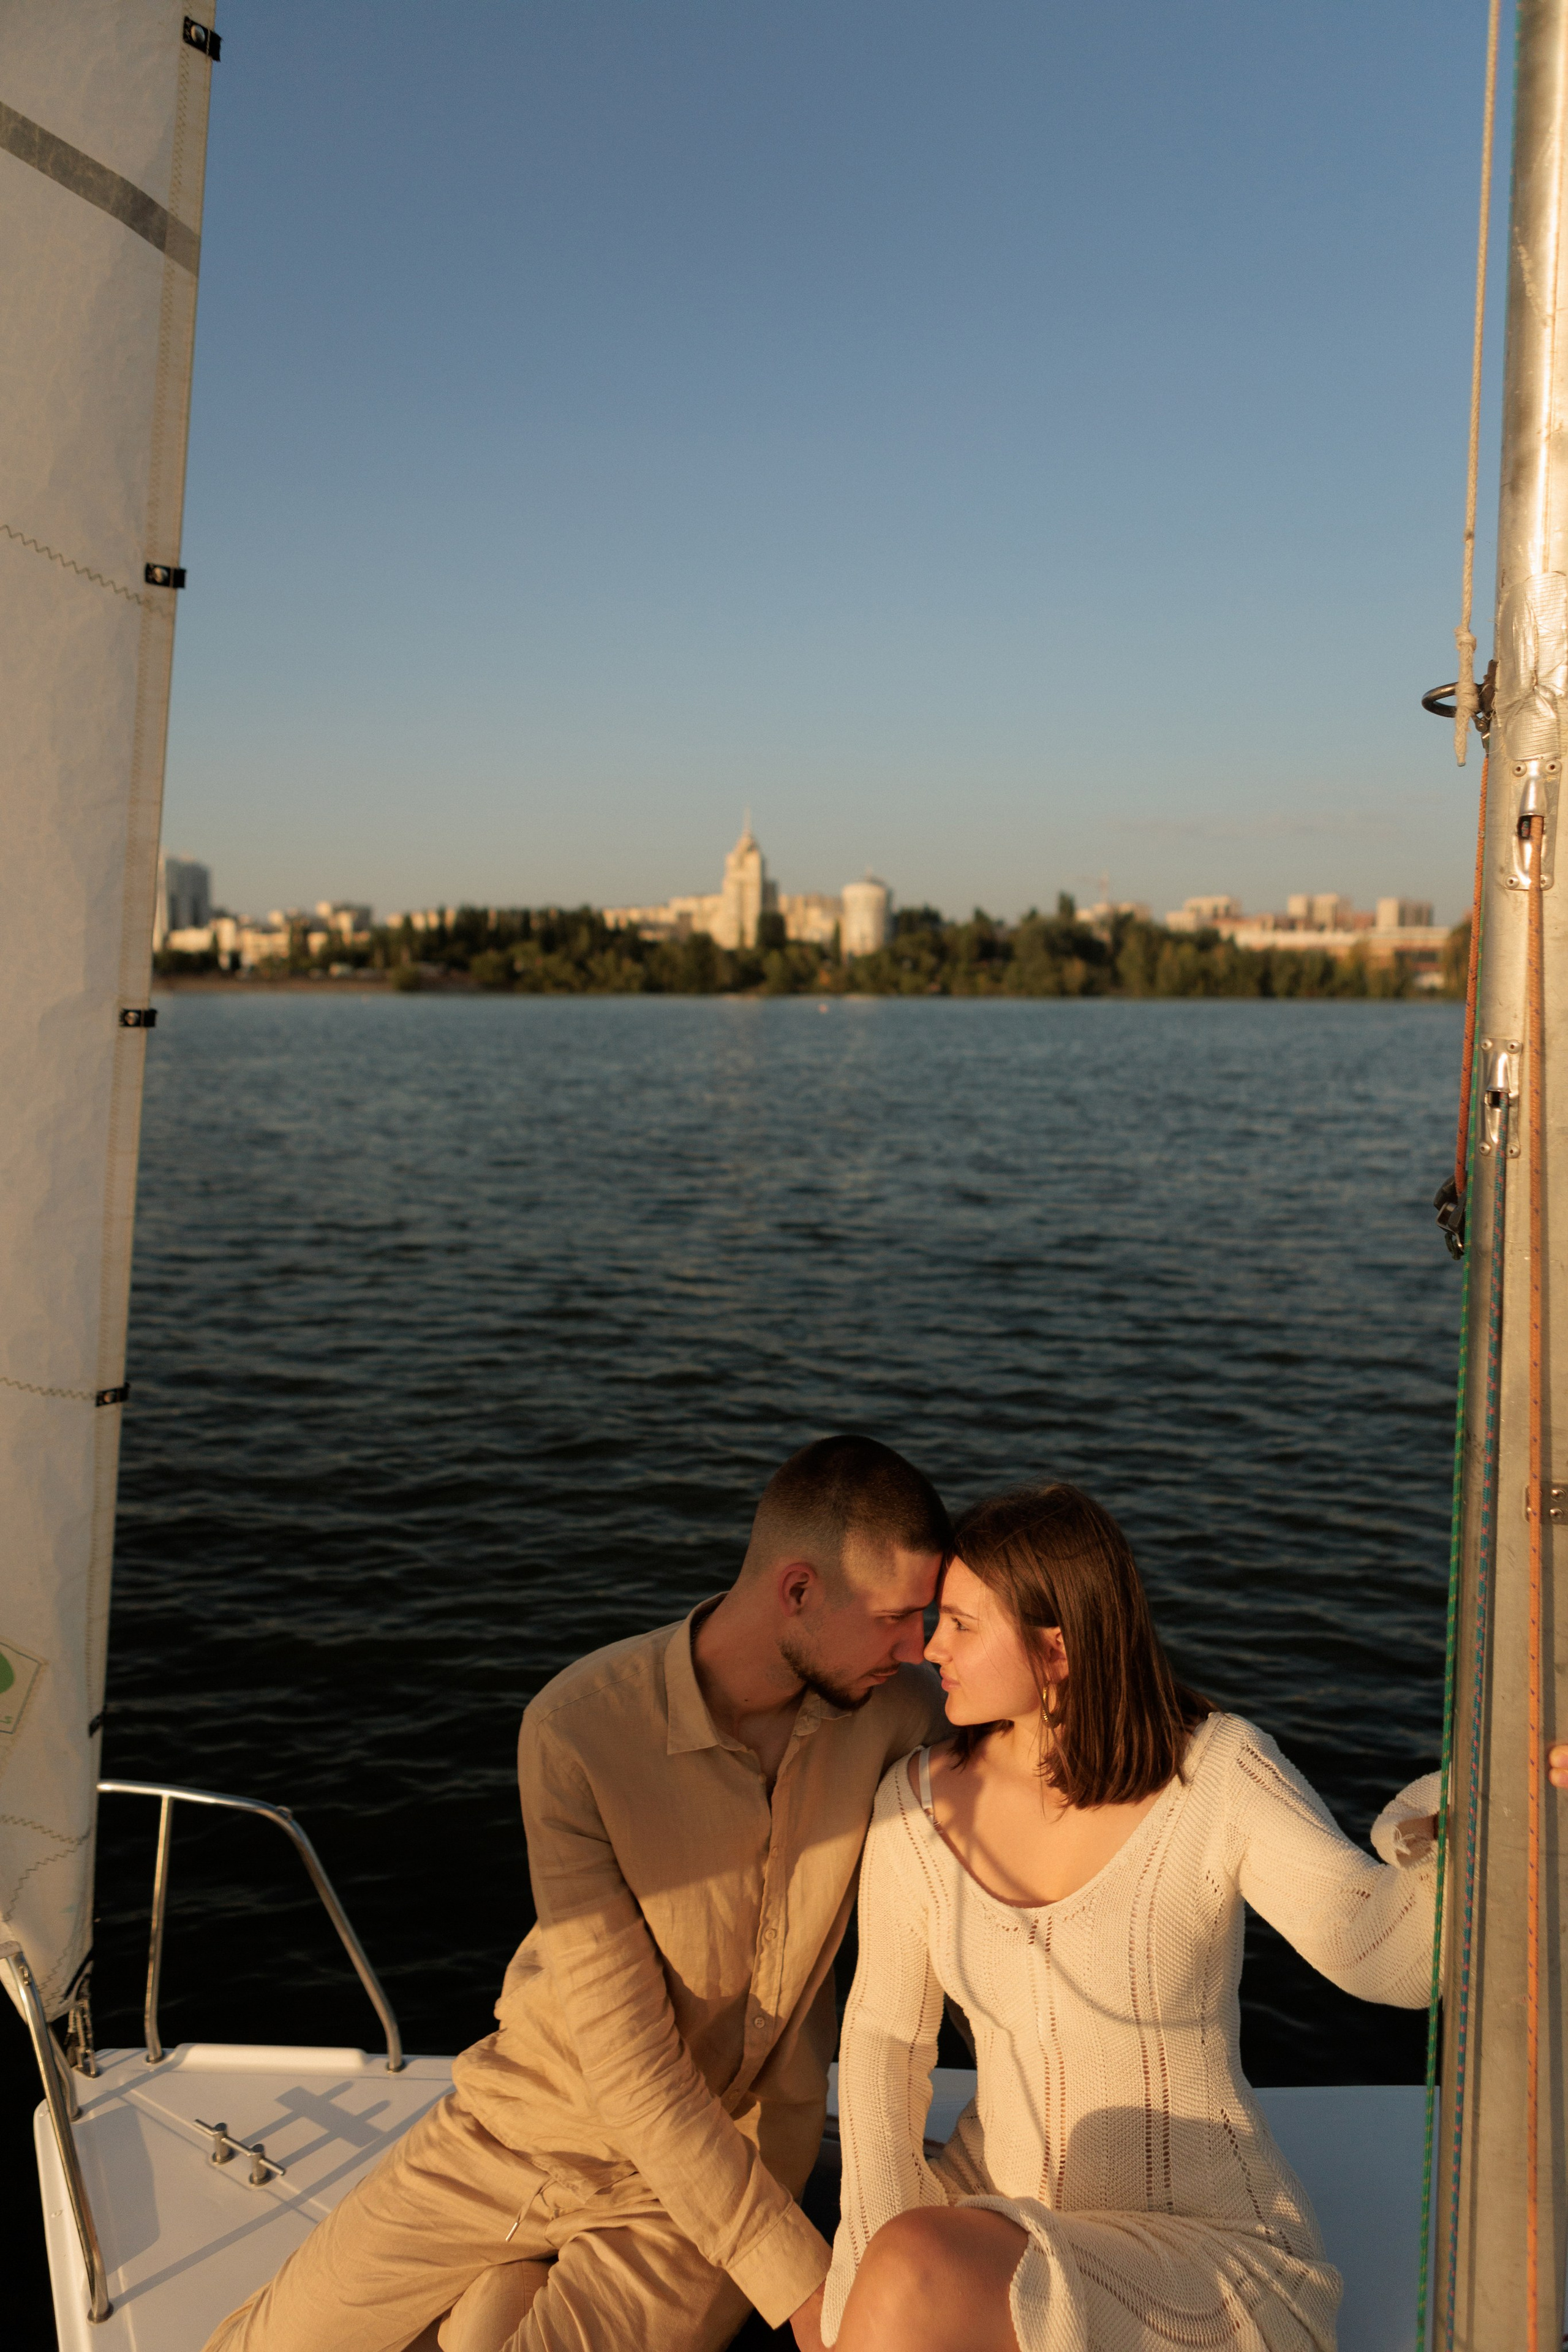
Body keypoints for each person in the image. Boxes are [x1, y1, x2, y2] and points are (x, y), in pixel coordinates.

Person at [205, 1433, 954, 2352]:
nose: (919, 1646)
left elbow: (1048, 1765)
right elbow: (632, 2067)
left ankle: (496, 2306)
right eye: (897, 1617)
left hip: (720, 2178)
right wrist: (807, 2291)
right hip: (518, 2130)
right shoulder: (579, 1730)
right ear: (797, 1591)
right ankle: (500, 2295)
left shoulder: (898, 1711)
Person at [810, 1482, 1447, 2352]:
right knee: (900, 2269)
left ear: (1057, 1649)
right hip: (994, 2220)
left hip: (1204, 2260)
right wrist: (875, 2246)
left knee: (911, 2272)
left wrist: (1482, 1815)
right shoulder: (913, 1806)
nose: (930, 1647)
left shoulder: (1216, 1772)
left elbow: (1387, 1957)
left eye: (960, 1624)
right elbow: (884, 2044)